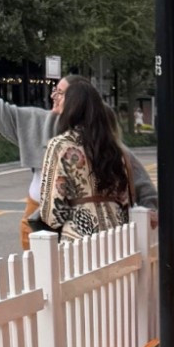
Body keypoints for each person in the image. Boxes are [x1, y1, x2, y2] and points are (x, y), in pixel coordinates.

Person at [0, 63, 156, 239]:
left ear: (76, 102)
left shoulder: (101, 143)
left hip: (64, 230)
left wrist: (150, 210)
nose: (53, 96)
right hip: (50, 226)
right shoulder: (38, 122)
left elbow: (143, 185)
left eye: (60, 93)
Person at [31, 79, 136, 240]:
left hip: (79, 236)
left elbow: (53, 212)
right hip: (117, 234)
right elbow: (124, 198)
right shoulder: (112, 147)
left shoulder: (60, 145)